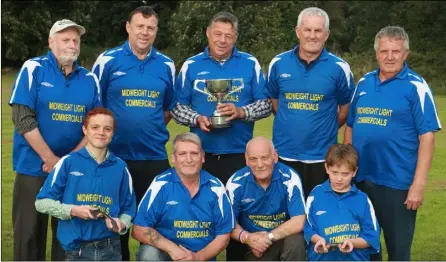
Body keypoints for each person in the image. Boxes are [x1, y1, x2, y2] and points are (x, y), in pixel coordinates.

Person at [344, 26, 441, 261]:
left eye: (396, 51)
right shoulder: (364, 83)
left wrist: (418, 185)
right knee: (365, 246)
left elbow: (427, 136)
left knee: (398, 250)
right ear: (376, 53)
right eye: (384, 51)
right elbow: (350, 126)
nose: (389, 56)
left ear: (405, 53)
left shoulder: (415, 86)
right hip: (362, 180)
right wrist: (347, 172)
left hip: (397, 184)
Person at [8, 19, 100, 261]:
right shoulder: (33, 68)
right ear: (51, 42)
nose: (71, 44)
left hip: (71, 171)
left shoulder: (89, 79)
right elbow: (22, 116)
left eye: (75, 40)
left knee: (66, 237)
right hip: (33, 167)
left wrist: (67, 162)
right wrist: (50, 159)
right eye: (65, 39)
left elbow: (94, 126)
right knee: (28, 235)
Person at [91, 6, 175, 260]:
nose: (144, 32)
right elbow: (95, 106)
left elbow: (168, 108)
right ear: (128, 27)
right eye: (140, 26)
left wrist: (148, 128)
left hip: (153, 158)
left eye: (150, 28)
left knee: (155, 223)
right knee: (115, 223)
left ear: (156, 32)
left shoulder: (167, 64)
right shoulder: (107, 60)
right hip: (114, 157)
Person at [171, 11, 272, 185]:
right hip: (200, 155)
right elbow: (177, 107)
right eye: (217, 34)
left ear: (236, 37)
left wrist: (241, 112)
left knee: (238, 208)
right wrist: (197, 119)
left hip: (241, 154)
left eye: (228, 36)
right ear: (208, 32)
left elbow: (266, 105)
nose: (222, 40)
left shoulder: (250, 63)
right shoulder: (191, 65)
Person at [265, 7, 354, 199]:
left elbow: (346, 107)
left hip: (321, 157)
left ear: (326, 35)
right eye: (307, 30)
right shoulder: (278, 63)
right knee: (286, 217)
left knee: (317, 216)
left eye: (318, 31)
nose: (312, 36)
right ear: (298, 32)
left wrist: (327, 126)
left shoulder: (339, 68)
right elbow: (274, 101)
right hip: (283, 154)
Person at [35, 107, 136, 261]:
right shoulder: (68, 162)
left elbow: (129, 208)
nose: (101, 132)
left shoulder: (120, 167)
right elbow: (41, 202)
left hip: (110, 248)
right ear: (85, 130)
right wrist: (73, 210)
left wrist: (121, 223)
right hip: (76, 249)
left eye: (107, 129)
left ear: (113, 133)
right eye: (95, 127)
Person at [132, 132, 233, 261]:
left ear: (202, 157)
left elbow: (224, 235)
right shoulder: (161, 184)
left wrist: (196, 257)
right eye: (182, 154)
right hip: (169, 255)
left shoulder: (215, 187)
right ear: (173, 158)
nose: (189, 159)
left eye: (194, 154)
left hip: (201, 257)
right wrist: (174, 250)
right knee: (148, 253)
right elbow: (139, 229)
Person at [225, 136, 306, 261]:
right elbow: (227, 223)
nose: (259, 164)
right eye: (253, 159)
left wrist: (269, 237)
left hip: (279, 238)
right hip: (251, 243)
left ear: (275, 156)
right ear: (246, 160)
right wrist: (248, 238)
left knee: (296, 240)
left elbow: (299, 220)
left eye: (264, 157)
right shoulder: (236, 183)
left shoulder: (290, 177)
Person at [304, 144, 380, 261]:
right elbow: (308, 228)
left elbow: (371, 236)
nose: (339, 179)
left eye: (345, 174)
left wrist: (352, 243)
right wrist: (318, 240)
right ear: (327, 168)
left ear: (354, 172)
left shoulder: (362, 199)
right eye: (335, 172)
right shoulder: (316, 195)